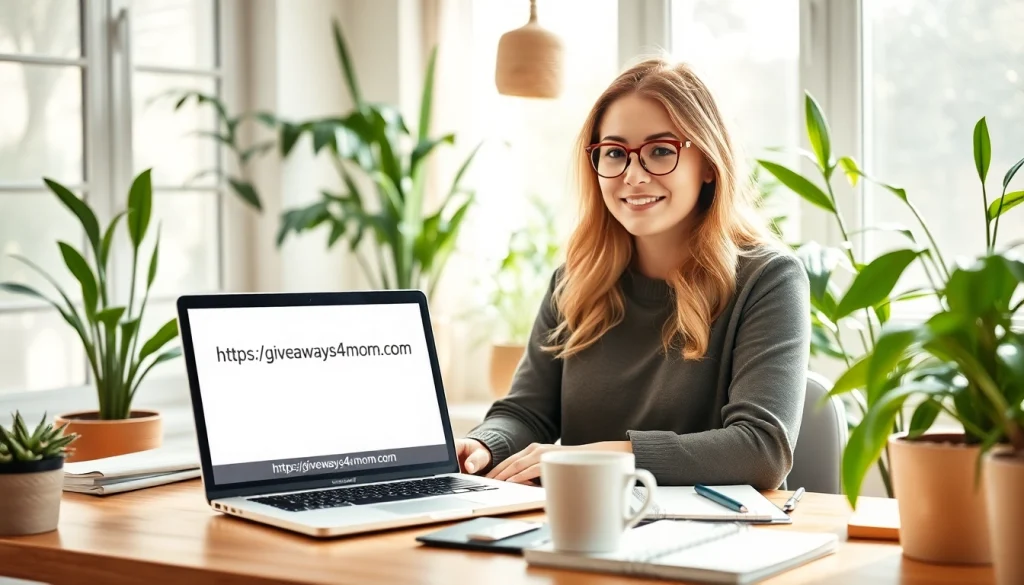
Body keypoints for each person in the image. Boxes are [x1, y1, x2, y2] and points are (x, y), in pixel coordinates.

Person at [456, 58, 811, 490]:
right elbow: (528, 413)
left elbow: (760, 451)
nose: (634, 175)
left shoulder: (768, 281)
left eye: (661, 150)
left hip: (713, 541)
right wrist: (485, 447)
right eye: (614, 153)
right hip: (582, 528)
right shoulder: (574, 283)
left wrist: (600, 458)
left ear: (709, 164)